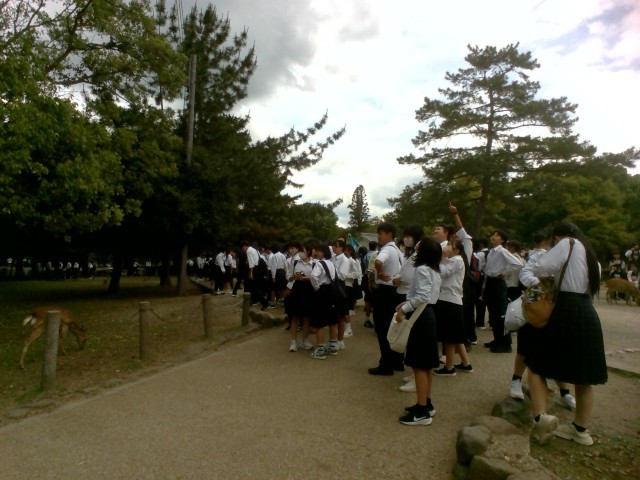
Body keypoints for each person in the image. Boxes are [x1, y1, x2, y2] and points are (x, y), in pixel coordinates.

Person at [526, 221, 607, 446]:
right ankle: (581, 431)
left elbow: (541, 268)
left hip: (565, 309)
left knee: (535, 365)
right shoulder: (592, 258)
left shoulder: (567, 243)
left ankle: (541, 418)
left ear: (557, 236)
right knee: (584, 377)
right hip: (587, 311)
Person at [510, 232, 576, 413]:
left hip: (557, 307)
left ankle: (564, 392)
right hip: (538, 303)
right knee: (525, 344)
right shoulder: (540, 256)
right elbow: (525, 273)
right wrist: (542, 285)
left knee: (556, 349)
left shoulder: (574, 258)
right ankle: (516, 380)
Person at [395, 237, 442, 425]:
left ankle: (422, 412)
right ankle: (426, 403)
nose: (416, 246)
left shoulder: (422, 269)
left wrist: (404, 309)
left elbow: (422, 296)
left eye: (419, 246)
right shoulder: (434, 270)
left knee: (419, 365)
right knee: (426, 365)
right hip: (428, 314)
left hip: (420, 317)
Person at [368, 223, 405, 376]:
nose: (378, 237)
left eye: (380, 233)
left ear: (389, 234)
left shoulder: (387, 249)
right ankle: (397, 361)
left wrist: (380, 272)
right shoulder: (398, 251)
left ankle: (386, 364)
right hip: (396, 291)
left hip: (385, 291)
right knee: (394, 327)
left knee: (382, 328)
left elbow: (378, 261)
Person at [433, 240, 473, 376]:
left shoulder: (456, 260)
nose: (447, 247)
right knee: (455, 334)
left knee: (448, 336)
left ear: (456, 250)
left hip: (449, 300)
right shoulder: (454, 260)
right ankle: (466, 363)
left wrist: (442, 257)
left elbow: (442, 273)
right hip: (451, 300)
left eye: (450, 246)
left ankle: (449, 367)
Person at [482, 230, 523, 353]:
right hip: (490, 281)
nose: (493, 237)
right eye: (493, 234)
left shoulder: (502, 251)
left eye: (497, 235)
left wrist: (505, 273)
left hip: (498, 282)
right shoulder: (491, 252)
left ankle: (506, 343)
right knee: (493, 312)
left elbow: (517, 264)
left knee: (500, 312)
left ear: (502, 240)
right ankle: (497, 339)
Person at [307, 242, 340, 360]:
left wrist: (317, 288)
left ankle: (320, 349)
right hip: (332, 293)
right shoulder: (332, 264)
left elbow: (313, 276)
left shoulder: (319, 264)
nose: (316, 252)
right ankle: (333, 347)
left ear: (324, 252)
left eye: (318, 251)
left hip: (322, 293)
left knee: (319, 321)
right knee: (332, 321)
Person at [285, 243, 314, 352]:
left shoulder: (314, 264)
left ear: (309, 252)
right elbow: (288, 277)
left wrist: (308, 277)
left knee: (307, 317)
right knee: (294, 316)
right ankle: (293, 341)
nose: (301, 253)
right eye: (300, 251)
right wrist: (294, 276)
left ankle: (305, 340)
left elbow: (317, 278)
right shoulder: (295, 262)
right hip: (297, 289)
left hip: (309, 290)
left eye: (303, 251)